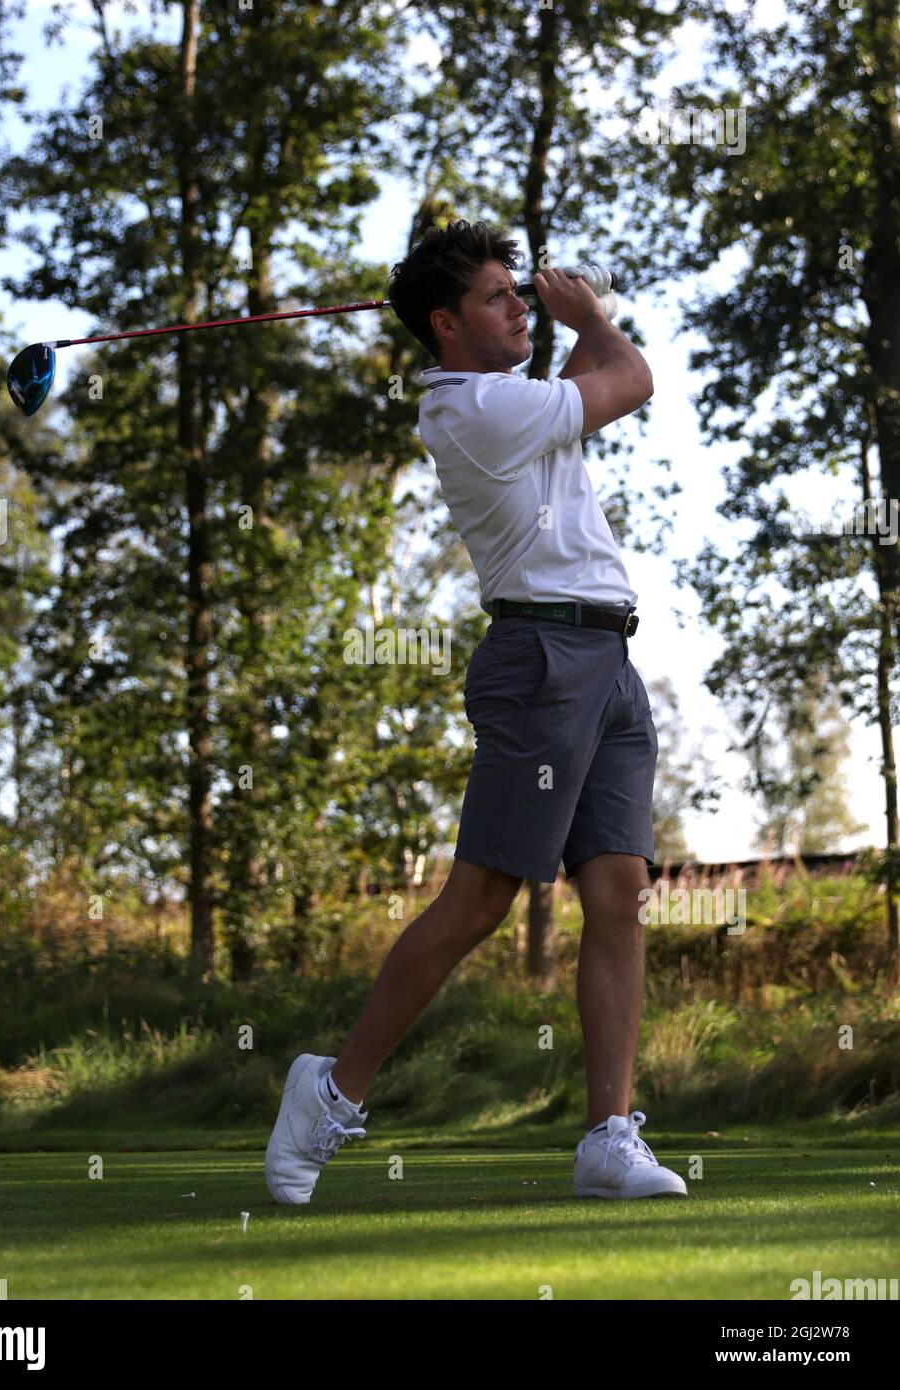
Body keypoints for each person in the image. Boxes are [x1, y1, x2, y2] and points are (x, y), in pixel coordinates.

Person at [265, 220, 687, 1204]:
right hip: (538, 658)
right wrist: (591, 314)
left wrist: (574, 324)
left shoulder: (514, 400)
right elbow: (628, 380)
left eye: (519, 291)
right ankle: (328, 1090)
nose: (520, 306)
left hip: (607, 654)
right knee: (482, 899)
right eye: (499, 295)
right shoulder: (472, 409)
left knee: (619, 890)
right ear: (445, 325)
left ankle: (607, 1135)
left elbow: (585, 385)